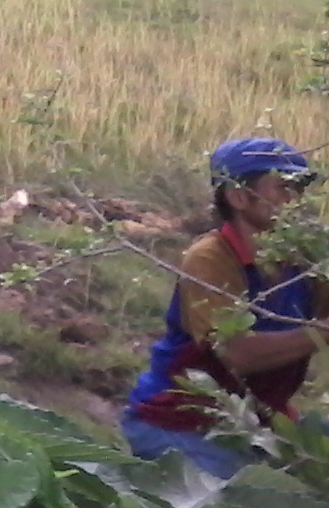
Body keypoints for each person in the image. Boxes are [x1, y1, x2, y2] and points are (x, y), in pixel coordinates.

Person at [122, 138, 328, 478]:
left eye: (301, 187)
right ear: (238, 197)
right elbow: (238, 353)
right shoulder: (211, 257)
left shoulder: (305, 257)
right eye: (283, 186)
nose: (296, 199)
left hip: (260, 423)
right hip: (187, 423)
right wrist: (322, 332)